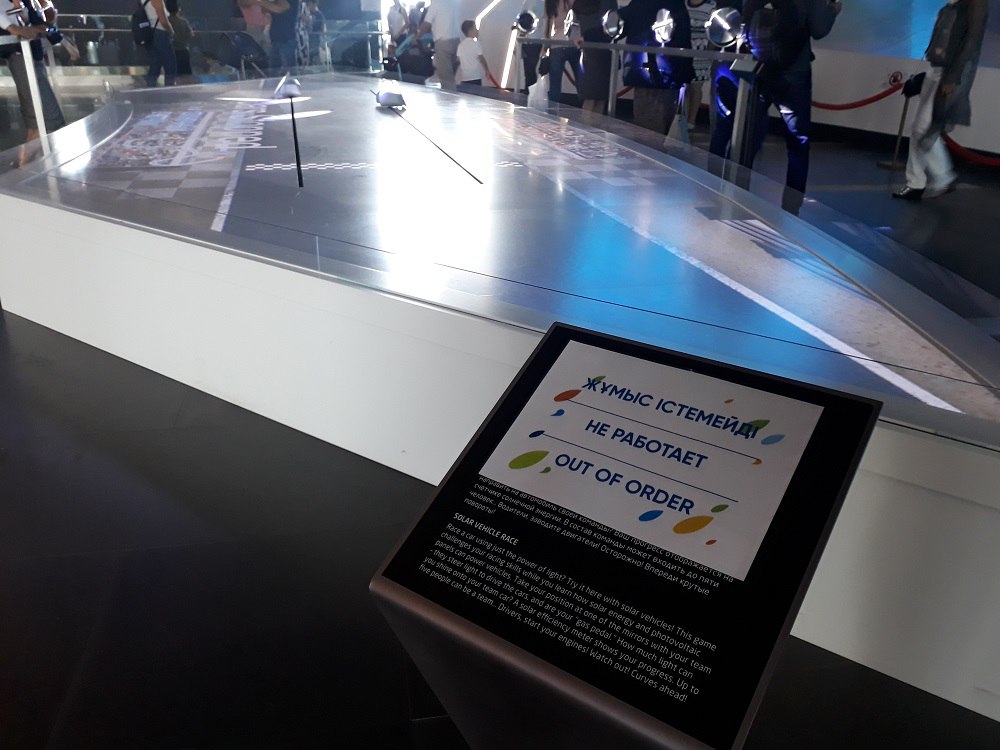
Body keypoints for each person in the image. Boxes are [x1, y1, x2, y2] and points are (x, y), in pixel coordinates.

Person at [716, 0, 842, 215]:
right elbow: (819, 29)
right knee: (798, 144)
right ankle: (791, 208)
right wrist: (833, 9)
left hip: (759, 69)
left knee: (747, 137)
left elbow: (745, 22)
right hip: (794, 73)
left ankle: (734, 194)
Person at [893, 0, 988, 201]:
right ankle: (916, 182)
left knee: (924, 127)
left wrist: (953, 77)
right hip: (934, 70)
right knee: (918, 128)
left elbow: (971, 42)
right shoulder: (951, 5)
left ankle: (944, 176)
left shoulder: (976, 3)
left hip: (949, 74)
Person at [0, 0, 65, 160]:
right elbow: (18, 28)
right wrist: (15, 28)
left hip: (33, 55)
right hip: (20, 56)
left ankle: (24, 163)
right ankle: (26, 163)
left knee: (35, 119)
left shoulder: (28, 3)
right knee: (47, 115)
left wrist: (41, 23)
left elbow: (41, 25)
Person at [620, 0, 693, 135]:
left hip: (645, 73)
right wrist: (686, 73)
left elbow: (619, 23)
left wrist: (590, 35)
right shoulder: (675, 4)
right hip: (670, 73)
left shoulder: (639, 4)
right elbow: (683, 38)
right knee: (662, 125)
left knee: (647, 129)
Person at [570, 0, 617, 112]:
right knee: (600, 99)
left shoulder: (580, 4)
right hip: (603, 50)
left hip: (586, 51)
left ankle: (586, 123)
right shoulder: (608, 3)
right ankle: (595, 123)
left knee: (589, 98)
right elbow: (611, 25)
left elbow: (574, 23)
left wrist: (582, 37)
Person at [684, 0, 716, 127]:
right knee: (684, 86)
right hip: (684, 50)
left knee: (696, 86)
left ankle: (691, 119)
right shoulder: (683, 4)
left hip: (701, 53)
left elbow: (714, 31)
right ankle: (683, 117)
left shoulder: (711, 6)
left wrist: (709, 53)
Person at [417, 0, 460, 89]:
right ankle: (453, 94)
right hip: (456, 41)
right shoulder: (455, 2)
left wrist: (417, 36)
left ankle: (449, 96)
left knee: (446, 80)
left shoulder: (436, 3)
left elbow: (427, 23)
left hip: (443, 42)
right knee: (451, 76)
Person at [542, 0, 579, 103]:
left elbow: (548, 26)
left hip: (556, 44)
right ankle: (586, 109)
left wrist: (546, 46)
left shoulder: (550, 3)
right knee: (581, 82)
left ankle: (553, 110)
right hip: (573, 43)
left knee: (554, 85)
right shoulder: (571, 2)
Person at [254, 0, 297, 71]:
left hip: (287, 40)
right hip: (275, 40)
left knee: (290, 71)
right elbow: (265, 10)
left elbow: (279, 8)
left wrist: (258, 1)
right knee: (274, 71)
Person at [142, 0, 177, 87]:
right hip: (160, 32)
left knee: (155, 64)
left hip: (149, 33)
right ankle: (170, 88)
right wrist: (171, 31)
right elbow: (163, 21)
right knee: (169, 63)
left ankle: (150, 88)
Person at [456, 19, 492, 86]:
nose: (477, 30)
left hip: (465, 77)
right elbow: (481, 59)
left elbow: (458, 59)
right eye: (475, 28)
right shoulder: (476, 44)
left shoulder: (460, 45)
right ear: (470, 31)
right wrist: (487, 70)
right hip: (475, 76)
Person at [166, 0, 192, 77]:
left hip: (170, 52)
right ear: (178, 9)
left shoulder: (166, 21)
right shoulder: (184, 21)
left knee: (172, 75)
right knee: (186, 76)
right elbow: (191, 35)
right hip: (184, 51)